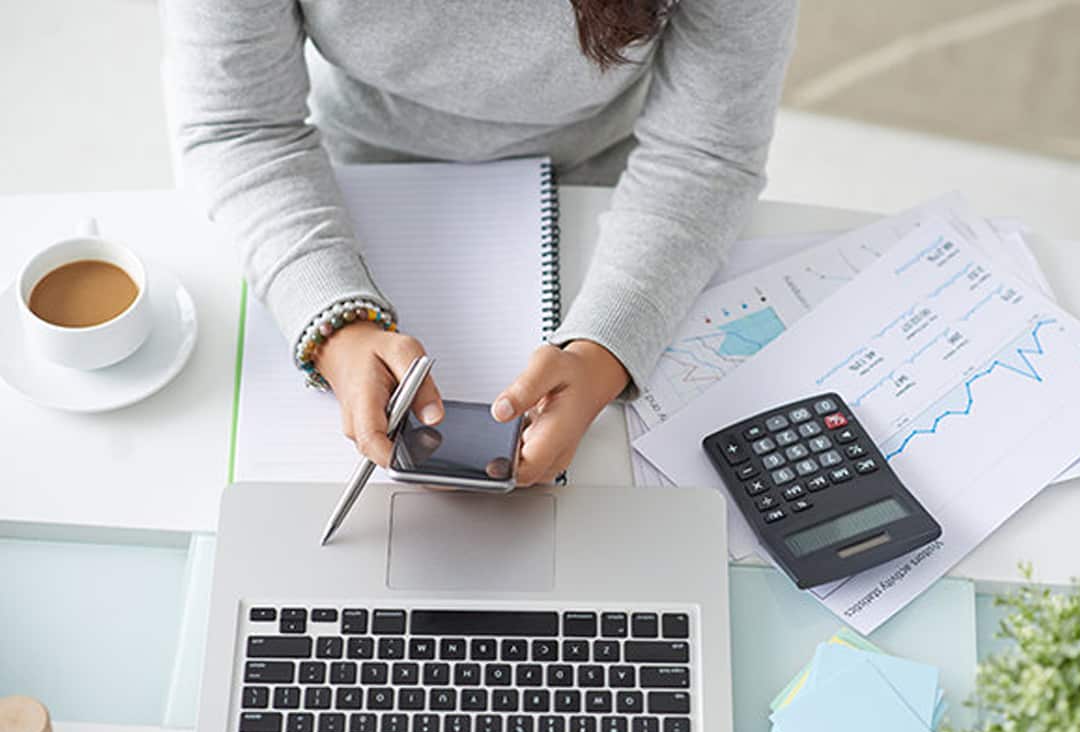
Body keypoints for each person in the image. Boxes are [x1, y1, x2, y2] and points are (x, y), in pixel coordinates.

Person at [163, 0, 797, 484]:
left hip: (611, 186)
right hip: (343, 178)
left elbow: (707, 149)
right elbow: (238, 124)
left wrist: (606, 350)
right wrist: (334, 324)